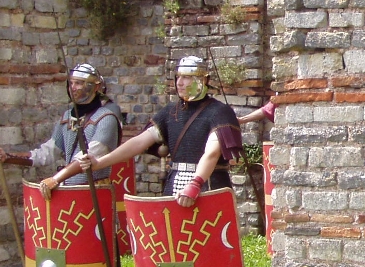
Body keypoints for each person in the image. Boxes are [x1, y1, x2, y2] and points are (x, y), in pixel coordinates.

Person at [80, 56, 243, 208]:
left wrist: (195, 183)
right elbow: (138, 142)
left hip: (210, 185)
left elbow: (212, 153)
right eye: (178, 77)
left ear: (203, 80)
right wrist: (99, 163)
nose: (179, 83)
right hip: (175, 185)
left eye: (186, 77)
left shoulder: (219, 112)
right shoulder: (170, 111)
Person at [0, 63, 122, 199]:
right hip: (69, 192)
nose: (73, 88)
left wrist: (55, 179)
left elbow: (86, 158)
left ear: (95, 87)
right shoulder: (67, 117)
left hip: (95, 192)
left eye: (78, 83)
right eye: (71, 83)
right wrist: (9, 157)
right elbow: (47, 153)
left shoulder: (106, 119)